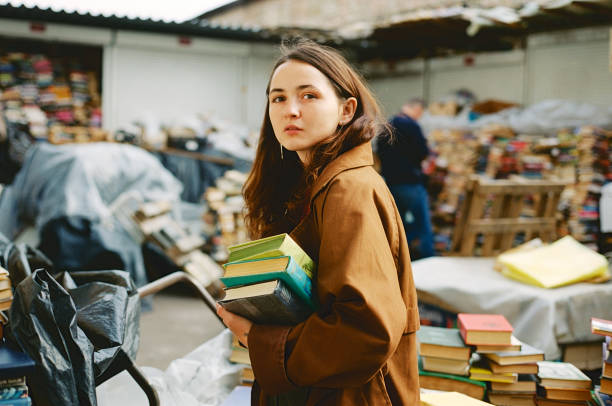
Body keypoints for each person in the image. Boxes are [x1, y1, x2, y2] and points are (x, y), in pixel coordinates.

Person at [216, 39, 420, 405]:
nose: (290, 110)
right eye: (278, 98)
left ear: (346, 110)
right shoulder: (311, 182)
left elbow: (366, 330)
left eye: (308, 96)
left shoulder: (348, 189)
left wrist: (258, 338)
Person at [376, 99, 435, 259]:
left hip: (392, 183)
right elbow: (422, 152)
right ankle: (428, 260)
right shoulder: (412, 126)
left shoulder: (387, 125)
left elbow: (379, 152)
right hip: (410, 182)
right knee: (423, 226)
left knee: (398, 225)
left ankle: (397, 259)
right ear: (416, 109)